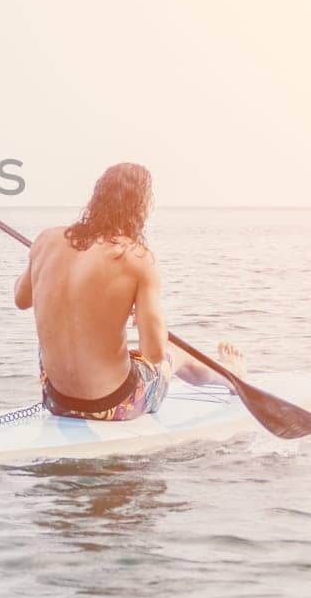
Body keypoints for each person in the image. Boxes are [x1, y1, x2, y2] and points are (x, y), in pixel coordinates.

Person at [14, 162, 245, 421]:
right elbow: (154, 353)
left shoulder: (46, 239)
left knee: (64, 324)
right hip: (113, 404)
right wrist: (143, 313)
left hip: (56, 400)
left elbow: (21, 299)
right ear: (140, 208)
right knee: (175, 351)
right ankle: (230, 377)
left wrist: (39, 263)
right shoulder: (137, 258)